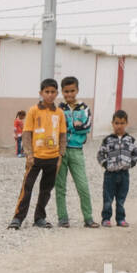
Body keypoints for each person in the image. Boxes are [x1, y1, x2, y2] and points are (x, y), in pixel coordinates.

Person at [8, 78, 66, 230]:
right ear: (41, 93)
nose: (49, 95)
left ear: (57, 93)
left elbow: (62, 136)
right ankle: (18, 218)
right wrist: (29, 154)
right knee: (27, 188)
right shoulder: (34, 111)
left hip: (52, 158)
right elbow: (26, 134)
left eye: (53, 92)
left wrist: (60, 156)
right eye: (46, 92)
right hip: (35, 158)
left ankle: (40, 217)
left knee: (46, 190)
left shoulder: (59, 113)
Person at [54, 77, 98, 228]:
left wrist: (70, 126)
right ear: (62, 92)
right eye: (66, 91)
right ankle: (63, 218)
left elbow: (87, 126)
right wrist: (74, 125)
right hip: (60, 151)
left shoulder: (84, 108)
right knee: (60, 186)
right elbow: (57, 127)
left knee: (83, 185)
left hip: (76, 151)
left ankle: (88, 218)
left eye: (72, 91)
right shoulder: (59, 108)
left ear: (77, 90)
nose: (69, 94)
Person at [97, 109, 137, 228]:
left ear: (126, 123)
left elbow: (136, 154)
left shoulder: (130, 140)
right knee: (108, 197)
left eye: (122, 123)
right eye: (116, 123)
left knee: (121, 198)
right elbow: (100, 154)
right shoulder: (107, 140)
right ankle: (106, 219)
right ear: (112, 123)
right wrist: (106, 165)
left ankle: (121, 219)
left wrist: (131, 163)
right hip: (110, 174)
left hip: (124, 174)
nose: (119, 126)